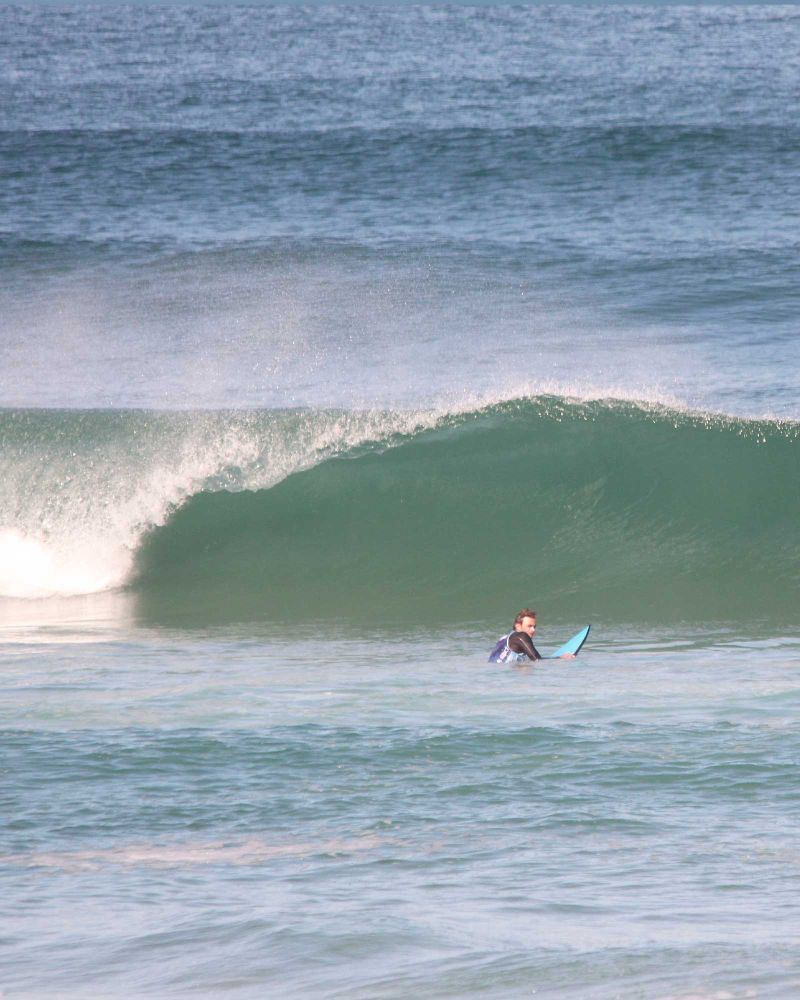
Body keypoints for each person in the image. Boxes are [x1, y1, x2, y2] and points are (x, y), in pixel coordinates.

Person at [488, 608, 576, 663]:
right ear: (518, 626)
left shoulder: (504, 638)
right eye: (529, 626)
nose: (533, 630)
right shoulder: (522, 636)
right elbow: (537, 660)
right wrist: (560, 658)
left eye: (534, 626)